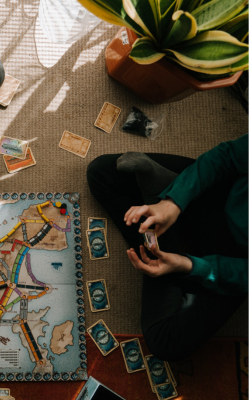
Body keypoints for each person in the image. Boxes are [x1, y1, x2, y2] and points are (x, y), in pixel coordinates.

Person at [86, 134, 248, 361]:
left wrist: (188, 265)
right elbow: (228, 156)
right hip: (221, 193)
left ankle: (156, 229)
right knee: (102, 172)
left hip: (235, 260)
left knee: (166, 343)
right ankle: (159, 210)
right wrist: (172, 203)